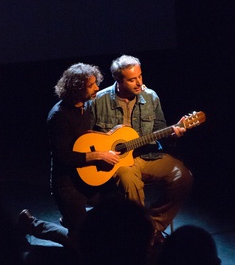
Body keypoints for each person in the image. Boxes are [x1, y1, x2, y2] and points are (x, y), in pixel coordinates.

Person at [90, 54, 193, 242]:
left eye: (140, 76)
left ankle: (151, 227)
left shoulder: (151, 97)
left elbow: (160, 131)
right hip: (117, 163)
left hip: (148, 156)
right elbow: (86, 135)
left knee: (183, 176)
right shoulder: (99, 100)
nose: (139, 83)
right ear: (119, 80)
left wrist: (172, 134)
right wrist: (101, 153)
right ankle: (139, 232)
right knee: (129, 179)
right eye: (132, 79)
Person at [18, 63, 120, 247]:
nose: (97, 87)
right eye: (91, 85)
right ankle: (31, 224)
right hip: (67, 185)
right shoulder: (59, 116)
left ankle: (72, 218)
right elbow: (64, 157)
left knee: (116, 201)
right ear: (77, 88)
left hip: (88, 179)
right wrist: (99, 155)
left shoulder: (88, 105)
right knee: (81, 243)